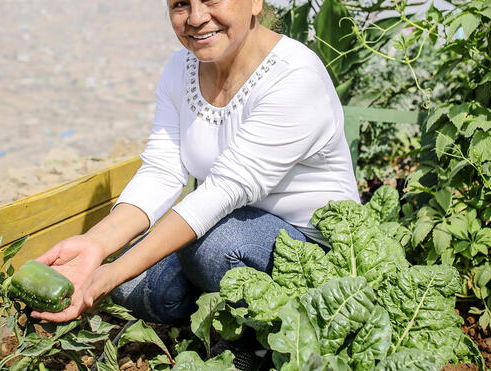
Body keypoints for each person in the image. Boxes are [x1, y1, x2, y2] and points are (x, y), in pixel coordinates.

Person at [32, 0, 359, 330]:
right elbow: (162, 170)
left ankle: (259, 341)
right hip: (225, 224)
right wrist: (95, 245)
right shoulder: (180, 68)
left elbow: (222, 192)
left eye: (212, 0)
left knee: (213, 249)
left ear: (256, 2)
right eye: (180, 5)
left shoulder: (294, 76)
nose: (197, 18)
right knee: (133, 288)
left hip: (309, 249)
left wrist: (112, 269)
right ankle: (222, 319)